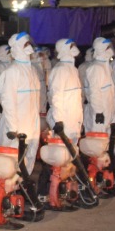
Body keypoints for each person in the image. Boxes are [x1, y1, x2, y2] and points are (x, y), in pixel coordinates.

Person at [0, 32, 41, 177]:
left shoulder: (32, 71)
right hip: (16, 129)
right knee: (11, 165)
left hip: (31, 126)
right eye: (25, 44)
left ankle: (22, 187)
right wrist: (12, 128)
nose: (29, 47)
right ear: (17, 48)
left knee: (28, 161)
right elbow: (8, 102)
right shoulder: (12, 72)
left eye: (28, 43)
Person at [45, 38, 83, 199]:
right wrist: (58, 120)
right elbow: (56, 96)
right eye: (71, 46)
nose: (75, 48)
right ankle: (50, 194)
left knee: (70, 159)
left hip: (73, 121)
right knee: (59, 160)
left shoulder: (72, 69)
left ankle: (66, 192)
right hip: (64, 122)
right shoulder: (60, 70)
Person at [82, 37, 115, 133]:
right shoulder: (96, 68)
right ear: (100, 49)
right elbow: (94, 92)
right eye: (107, 48)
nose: (110, 50)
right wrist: (98, 112)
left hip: (108, 111)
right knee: (97, 139)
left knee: (107, 139)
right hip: (99, 114)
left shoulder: (106, 67)